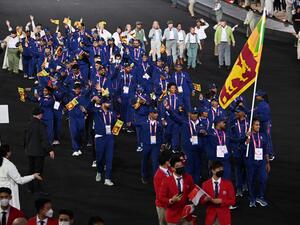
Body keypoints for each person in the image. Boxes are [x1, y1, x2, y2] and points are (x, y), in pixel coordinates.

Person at [0, 145, 42, 209]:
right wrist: (33, 176)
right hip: (8, 193)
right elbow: (20, 180)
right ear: (8, 153)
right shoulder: (8, 165)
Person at [24, 107, 55, 194]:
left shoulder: (28, 124)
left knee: (30, 169)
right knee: (38, 171)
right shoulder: (41, 125)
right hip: (38, 152)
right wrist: (50, 150)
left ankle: (30, 188)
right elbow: (44, 139)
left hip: (30, 151)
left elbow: (25, 138)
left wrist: (26, 148)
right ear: (40, 114)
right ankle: (38, 188)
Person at [159, 156, 194, 225]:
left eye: (181, 165)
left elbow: (193, 192)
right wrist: (171, 200)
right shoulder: (166, 181)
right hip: (172, 217)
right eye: (178, 166)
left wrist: (192, 205)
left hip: (186, 216)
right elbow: (161, 197)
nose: (181, 167)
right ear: (172, 168)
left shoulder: (188, 178)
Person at [244, 118, 270, 207]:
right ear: (252, 126)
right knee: (251, 180)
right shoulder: (249, 136)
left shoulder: (263, 136)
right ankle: (252, 198)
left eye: (259, 125)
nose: (258, 126)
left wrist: (267, 162)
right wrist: (246, 141)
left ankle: (260, 196)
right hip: (251, 161)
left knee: (263, 179)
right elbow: (243, 149)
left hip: (261, 162)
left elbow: (265, 150)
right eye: (256, 125)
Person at [200, 161, 236, 225]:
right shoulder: (205, 184)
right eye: (219, 169)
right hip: (210, 217)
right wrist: (205, 200)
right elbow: (202, 201)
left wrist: (221, 201)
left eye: (222, 169)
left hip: (224, 217)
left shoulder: (228, 184)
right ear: (213, 171)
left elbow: (232, 201)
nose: (221, 171)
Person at [92, 96, 117, 186]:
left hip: (109, 137)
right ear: (102, 104)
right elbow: (88, 108)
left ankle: (107, 178)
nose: (109, 104)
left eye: (109, 102)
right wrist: (93, 100)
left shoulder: (112, 113)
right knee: (100, 157)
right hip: (100, 137)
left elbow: (116, 123)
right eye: (107, 102)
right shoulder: (96, 112)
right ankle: (99, 171)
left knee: (109, 158)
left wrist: (115, 131)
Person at [139, 108, 164, 184]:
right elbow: (140, 133)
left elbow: (162, 134)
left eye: (157, 113)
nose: (157, 114)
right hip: (146, 144)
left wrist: (162, 144)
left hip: (155, 146)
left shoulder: (159, 124)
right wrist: (141, 143)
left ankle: (156, 179)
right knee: (145, 161)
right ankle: (144, 176)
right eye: (155, 113)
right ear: (150, 114)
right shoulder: (143, 122)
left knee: (155, 162)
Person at [153, 151, 172, 225]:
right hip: (163, 206)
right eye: (170, 160)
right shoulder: (158, 176)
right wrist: (170, 200)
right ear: (166, 162)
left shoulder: (170, 170)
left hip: (171, 203)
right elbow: (159, 195)